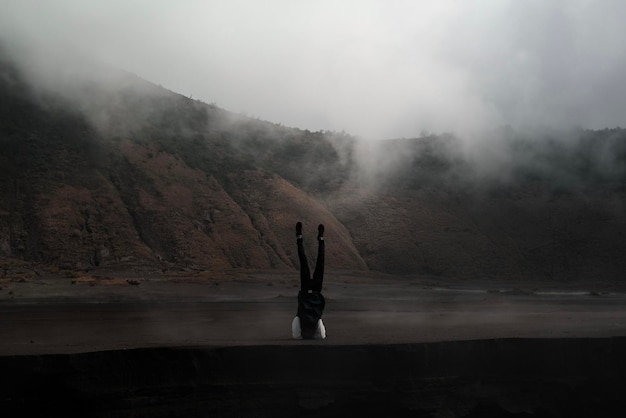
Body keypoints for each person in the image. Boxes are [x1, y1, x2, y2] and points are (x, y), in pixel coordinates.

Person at [292, 221, 327, 339]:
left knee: (312, 262)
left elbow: (321, 335)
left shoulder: (311, 323)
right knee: (310, 262)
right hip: (311, 291)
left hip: (312, 290)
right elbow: (321, 336)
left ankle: (312, 239)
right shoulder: (304, 323)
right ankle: (318, 239)